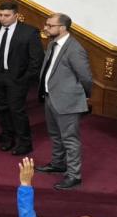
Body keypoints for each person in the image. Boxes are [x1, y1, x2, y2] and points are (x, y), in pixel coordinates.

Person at [37, 13, 93, 190]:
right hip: (50, 97)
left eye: (50, 25)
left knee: (70, 139)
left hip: (67, 101)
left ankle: (74, 176)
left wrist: (83, 95)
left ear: (62, 28)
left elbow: (85, 77)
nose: (46, 28)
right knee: (55, 135)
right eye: (46, 25)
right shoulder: (53, 43)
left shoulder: (75, 49)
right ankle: (58, 164)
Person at [0, 1, 45, 155]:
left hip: (17, 78)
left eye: (7, 15)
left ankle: (25, 142)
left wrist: (25, 78)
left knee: (17, 111)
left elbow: (37, 59)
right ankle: (7, 138)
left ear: (16, 15)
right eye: (0, 15)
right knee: (1, 109)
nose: (2, 18)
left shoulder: (29, 32)